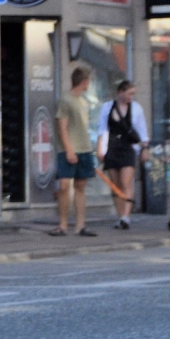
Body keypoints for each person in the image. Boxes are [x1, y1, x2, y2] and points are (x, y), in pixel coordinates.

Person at [50, 65, 97, 237]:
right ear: (84, 82)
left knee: (80, 186)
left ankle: (80, 225)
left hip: (84, 148)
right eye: (88, 81)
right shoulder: (66, 100)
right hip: (69, 149)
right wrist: (69, 150)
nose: (88, 84)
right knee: (64, 186)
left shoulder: (84, 101)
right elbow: (62, 127)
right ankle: (62, 224)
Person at [98, 78, 149, 230]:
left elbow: (142, 131)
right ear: (120, 92)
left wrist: (145, 149)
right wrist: (100, 148)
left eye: (133, 94)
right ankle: (120, 216)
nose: (131, 97)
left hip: (128, 147)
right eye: (129, 93)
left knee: (126, 182)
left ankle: (126, 217)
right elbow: (102, 129)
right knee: (116, 185)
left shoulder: (136, 108)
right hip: (112, 146)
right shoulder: (107, 107)